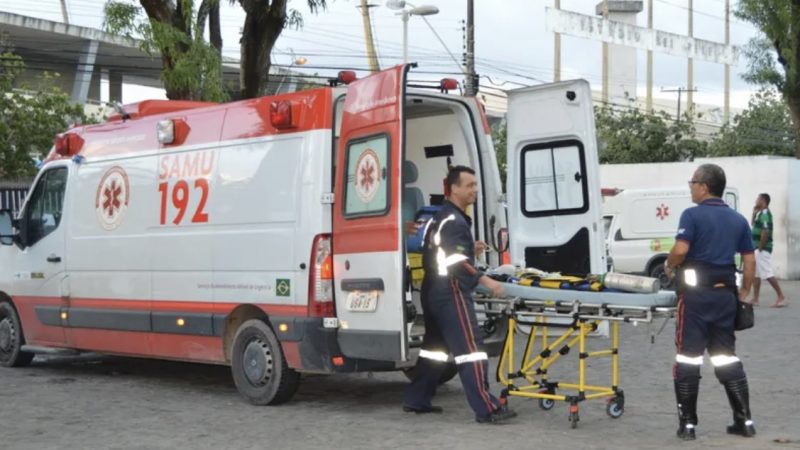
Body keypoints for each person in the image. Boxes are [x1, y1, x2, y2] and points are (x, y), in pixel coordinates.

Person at [403, 165, 517, 424]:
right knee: (471, 349)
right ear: (453, 188)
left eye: (475, 185)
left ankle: (417, 398)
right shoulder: (454, 221)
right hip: (450, 288)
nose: (474, 190)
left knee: (436, 348)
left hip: (433, 287)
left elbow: (434, 249)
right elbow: (455, 261)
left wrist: (470, 250)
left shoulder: (440, 216)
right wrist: (485, 279)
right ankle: (487, 408)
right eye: (469, 186)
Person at [665, 163, 757, 441]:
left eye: (692, 182)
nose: (690, 187)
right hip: (726, 297)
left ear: (704, 186)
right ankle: (744, 421)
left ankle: (688, 425)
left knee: (687, 359)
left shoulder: (692, 215)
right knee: (726, 357)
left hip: (696, 299)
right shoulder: (738, 219)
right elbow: (750, 260)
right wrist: (744, 293)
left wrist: (669, 265)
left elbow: (681, 250)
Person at [749, 193, 787, 308]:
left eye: (757, 199)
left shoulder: (765, 214)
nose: (756, 201)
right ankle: (755, 299)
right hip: (757, 248)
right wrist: (754, 214)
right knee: (756, 275)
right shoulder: (760, 214)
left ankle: (781, 297)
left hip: (762, 249)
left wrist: (760, 248)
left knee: (767, 273)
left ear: (763, 200)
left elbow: (765, 231)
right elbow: (753, 225)